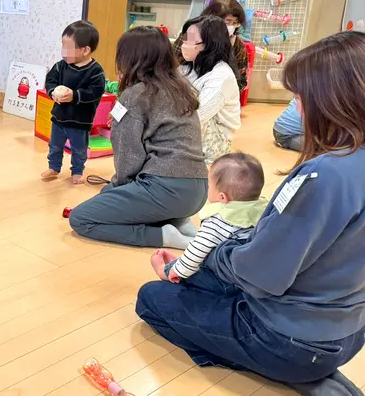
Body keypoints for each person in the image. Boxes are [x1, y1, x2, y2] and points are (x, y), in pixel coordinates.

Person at [136, 31, 365, 393]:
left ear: (332, 100)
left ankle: (304, 378)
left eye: (300, 98)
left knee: (151, 298)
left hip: (291, 339)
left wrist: (214, 253)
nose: (298, 109)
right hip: (346, 328)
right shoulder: (346, 166)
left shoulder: (324, 176)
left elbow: (260, 275)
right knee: (196, 277)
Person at [68, 26, 208, 248]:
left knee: (81, 218)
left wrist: (116, 190)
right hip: (198, 190)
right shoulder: (180, 89)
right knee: (111, 196)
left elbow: (128, 161)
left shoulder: (134, 95)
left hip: (164, 189)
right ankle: (178, 222)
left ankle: (164, 237)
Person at [150, 152, 267, 283]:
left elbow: (198, 250)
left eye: (210, 185)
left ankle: (165, 271)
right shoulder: (266, 210)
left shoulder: (219, 220)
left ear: (222, 197)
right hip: (257, 272)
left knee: (190, 264)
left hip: (229, 278)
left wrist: (175, 269)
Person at [40, 20, 107, 185]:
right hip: (59, 117)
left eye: (67, 47)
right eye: (62, 45)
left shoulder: (95, 71)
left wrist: (74, 95)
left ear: (85, 50)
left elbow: (95, 92)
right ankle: (54, 167)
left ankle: (77, 171)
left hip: (80, 121)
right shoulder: (61, 66)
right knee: (55, 145)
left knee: (79, 149)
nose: (63, 52)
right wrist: (53, 92)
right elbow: (50, 81)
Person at [179, 15, 242, 163]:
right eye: (185, 38)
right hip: (193, 128)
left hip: (216, 140)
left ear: (208, 45)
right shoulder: (188, 67)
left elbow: (197, 116)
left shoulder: (222, 76)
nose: (184, 44)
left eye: (190, 40)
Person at [174, 0, 250, 91]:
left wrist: (226, 92)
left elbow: (241, 80)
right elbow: (172, 63)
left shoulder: (237, 45)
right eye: (227, 22)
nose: (231, 27)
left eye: (235, 23)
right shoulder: (191, 34)